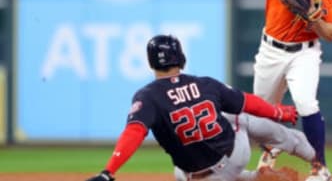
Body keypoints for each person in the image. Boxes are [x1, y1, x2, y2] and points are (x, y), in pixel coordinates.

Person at [198, 0, 332, 181]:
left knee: (307, 103)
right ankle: (270, 154)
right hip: (271, 50)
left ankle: (319, 167)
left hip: (305, 52)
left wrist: (314, 19)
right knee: (259, 116)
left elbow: (331, 33)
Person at [86, 34, 316, 181]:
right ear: (181, 58)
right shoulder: (204, 84)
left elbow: (133, 133)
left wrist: (109, 172)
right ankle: (311, 156)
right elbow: (246, 101)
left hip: (192, 176)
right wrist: (280, 112)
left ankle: (257, 177)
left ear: (151, 62)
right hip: (236, 154)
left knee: (185, 166)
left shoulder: (148, 97)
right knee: (237, 114)